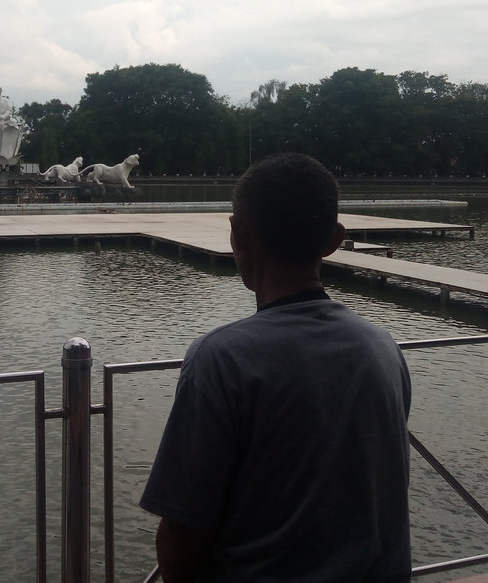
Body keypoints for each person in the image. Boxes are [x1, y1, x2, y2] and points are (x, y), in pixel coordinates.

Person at [140, 152, 412, 583]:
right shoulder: (382, 348)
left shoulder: (222, 359)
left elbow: (182, 540)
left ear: (238, 233)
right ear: (334, 239)